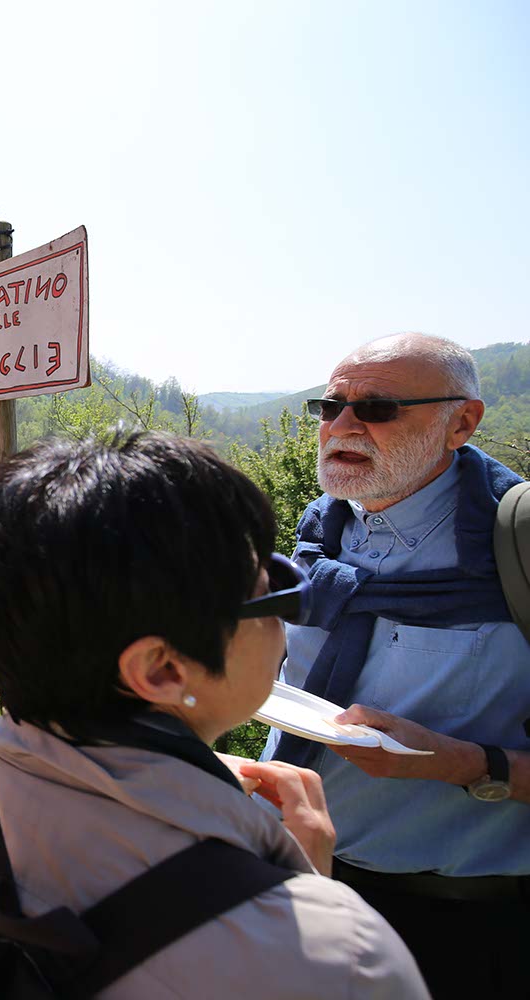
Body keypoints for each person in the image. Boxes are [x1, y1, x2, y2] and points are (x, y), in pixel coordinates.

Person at [0, 433, 426, 1000]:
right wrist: (302, 898)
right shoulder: (348, 959)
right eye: (272, 595)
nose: (289, 620)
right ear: (161, 670)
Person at [261, 333, 530, 996]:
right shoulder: (321, 537)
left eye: (377, 409)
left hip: (462, 930)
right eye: (331, 407)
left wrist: (466, 764)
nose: (342, 427)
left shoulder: (515, 548)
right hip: (296, 886)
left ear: (461, 422)